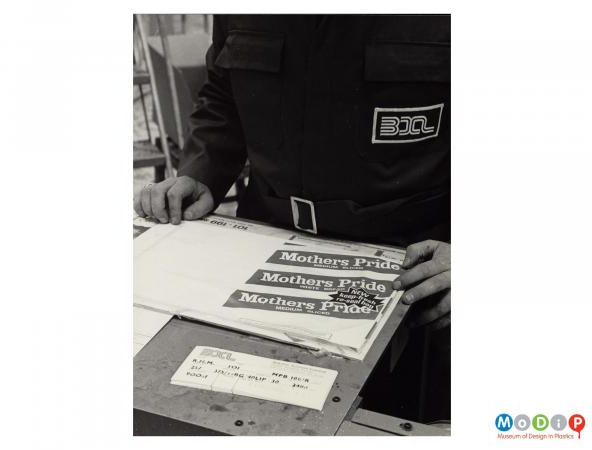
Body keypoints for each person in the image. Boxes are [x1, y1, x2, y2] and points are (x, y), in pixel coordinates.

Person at [134, 14, 450, 420]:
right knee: (239, 411)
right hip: (263, 246)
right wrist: (202, 172)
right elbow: (224, 92)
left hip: (410, 271)